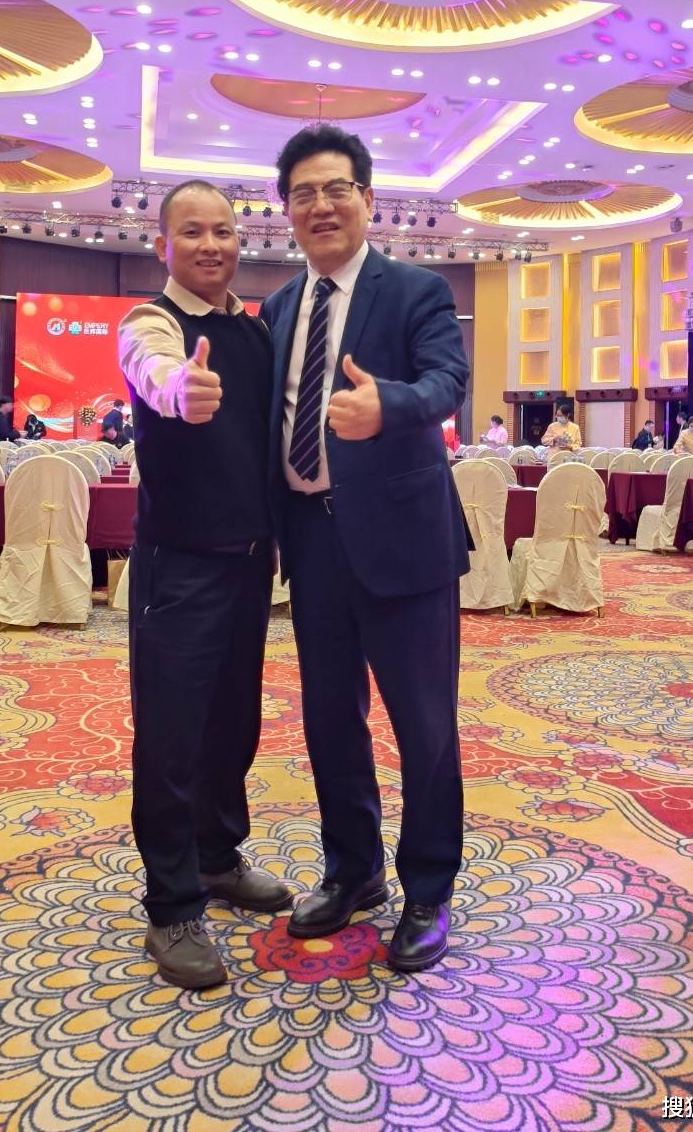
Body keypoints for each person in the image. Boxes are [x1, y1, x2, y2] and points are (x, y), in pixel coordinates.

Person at [261, 123, 470, 974]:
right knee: (330, 721)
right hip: (312, 540)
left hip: (406, 544)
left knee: (424, 725)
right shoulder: (279, 307)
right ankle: (354, 872)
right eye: (303, 193)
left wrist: (390, 405)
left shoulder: (416, 290)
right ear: (286, 210)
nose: (321, 205)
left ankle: (428, 890)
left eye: (336, 189)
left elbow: (448, 380)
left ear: (368, 199)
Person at [118, 180, 292, 991]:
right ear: (164, 245)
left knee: (232, 725)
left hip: (250, 560)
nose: (212, 245)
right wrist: (178, 391)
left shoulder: (253, 334)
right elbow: (152, 369)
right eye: (192, 232)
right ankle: (172, 906)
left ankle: (218, 859)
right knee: (171, 739)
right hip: (179, 565)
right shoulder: (150, 323)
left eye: (223, 231)